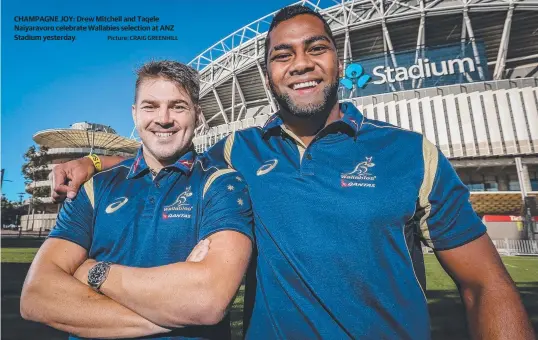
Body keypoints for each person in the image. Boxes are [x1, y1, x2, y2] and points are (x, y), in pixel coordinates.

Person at [50, 5, 535, 340]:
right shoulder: (238, 151)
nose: (300, 64)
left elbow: (486, 285)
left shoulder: (410, 153)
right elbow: (168, 150)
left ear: (338, 60)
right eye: (283, 55)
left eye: (315, 48)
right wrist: (94, 162)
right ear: (267, 77)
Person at [21, 60, 254, 340]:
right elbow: (37, 296)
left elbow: (207, 302)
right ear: (134, 114)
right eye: (150, 106)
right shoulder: (94, 187)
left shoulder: (221, 184)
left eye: (178, 106)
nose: (164, 118)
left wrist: (94, 272)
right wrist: (171, 316)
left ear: (199, 115)